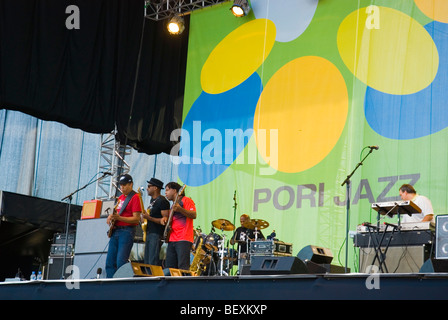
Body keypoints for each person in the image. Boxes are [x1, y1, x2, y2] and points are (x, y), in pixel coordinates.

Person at [105, 174, 142, 278]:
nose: (122, 187)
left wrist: (118, 218)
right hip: (116, 231)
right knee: (110, 261)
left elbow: (136, 219)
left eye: (124, 185)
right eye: (121, 185)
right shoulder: (120, 198)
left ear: (131, 184)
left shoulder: (135, 197)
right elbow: (117, 213)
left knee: (121, 261)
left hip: (126, 231)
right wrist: (111, 217)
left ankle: (121, 283)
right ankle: (110, 283)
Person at [164, 182, 196, 270]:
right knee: (169, 268)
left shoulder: (186, 200)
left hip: (183, 238)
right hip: (172, 238)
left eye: (167, 190)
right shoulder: (173, 205)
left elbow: (194, 215)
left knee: (183, 267)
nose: (165, 193)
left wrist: (180, 209)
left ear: (175, 191)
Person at [142, 178, 170, 266]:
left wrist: (148, 217)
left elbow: (165, 220)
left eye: (149, 186)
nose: (147, 188)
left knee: (152, 261)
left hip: (156, 233)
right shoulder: (152, 201)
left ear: (155, 188)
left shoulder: (162, 201)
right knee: (147, 261)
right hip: (149, 233)